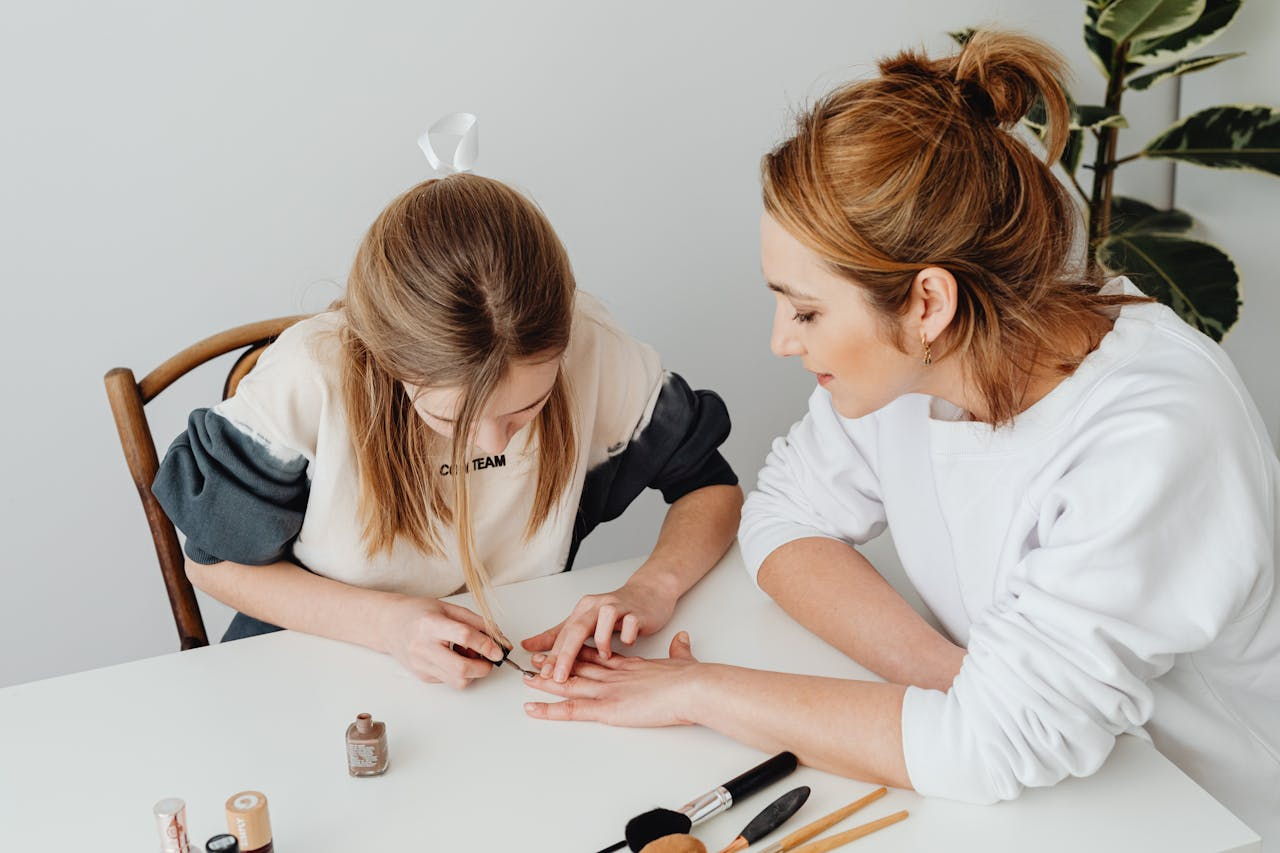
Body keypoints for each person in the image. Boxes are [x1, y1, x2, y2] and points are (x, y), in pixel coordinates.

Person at [522, 31, 1280, 843]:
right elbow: (782, 518)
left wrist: (698, 691)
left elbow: (992, 745)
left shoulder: (1150, 437)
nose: (782, 339)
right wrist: (955, 680)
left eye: (807, 310)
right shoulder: (926, 365)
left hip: (1201, 812)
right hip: (1054, 793)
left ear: (926, 303)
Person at [152, 173, 743, 688]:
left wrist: (651, 588)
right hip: (314, 659)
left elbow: (709, 486)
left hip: (506, 675)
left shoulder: (594, 350)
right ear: (386, 361)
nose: (494, 443)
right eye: (448, 419)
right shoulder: (311, 376)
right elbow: (211, 565)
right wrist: (386, 624)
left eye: (526, 407)